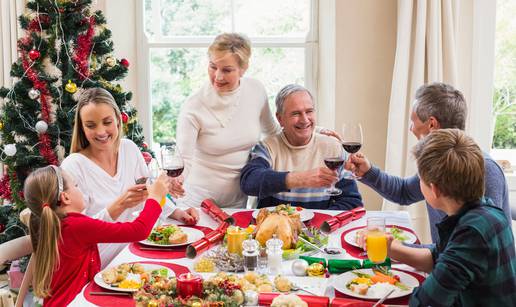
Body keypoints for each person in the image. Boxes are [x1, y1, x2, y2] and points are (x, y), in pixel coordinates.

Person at [176, 33, 338, 209]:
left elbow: (274, 130)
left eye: (227, 70)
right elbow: (184, 159)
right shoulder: (193, 106)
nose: (218, 76)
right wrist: (175, 180)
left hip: (237, 201)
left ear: (243, 68)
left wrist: (315, 130)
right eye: (213, 67)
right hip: (196, 201)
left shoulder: (255, 90)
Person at [349, 83, 511, 242]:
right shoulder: (438, 162)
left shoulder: (484, 170)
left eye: (413, 121)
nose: (411, 129)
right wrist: (368, 172)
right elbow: (404, 192)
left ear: (432, 124)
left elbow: (485, 243)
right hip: (446, 261)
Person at [60, 87, 198, 265]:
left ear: (118, 120)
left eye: (107, 122)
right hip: (99, 263)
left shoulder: (129, 148)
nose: (101, 132)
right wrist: (120, 204)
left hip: (136, 252)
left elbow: (148, 194)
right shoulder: (74, 166)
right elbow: (77, 232)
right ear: (82, 128)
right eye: (91, 125)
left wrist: (176, 212)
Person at [378, 129, 516, 306]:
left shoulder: (473, 233)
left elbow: (426, 301)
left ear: (434, 189)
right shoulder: (484, 211)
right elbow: (440, 257)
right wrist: (393, 249)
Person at [19, 166, 169, 306]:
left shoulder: (58, 225)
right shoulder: (75, 226)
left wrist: (123, 202)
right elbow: (139, 230)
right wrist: (155, 198)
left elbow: (99, 225)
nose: (80, 190)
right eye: (76, 186)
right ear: (65, 198)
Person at [240, 84, 362, 210]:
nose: (304, 120)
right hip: (277, 227)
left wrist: (319, 223)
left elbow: (352, 202)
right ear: (280, 118)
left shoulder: (334, 148)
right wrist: (300, 179)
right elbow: (249, 182)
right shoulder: (268, 147)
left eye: (309, 111)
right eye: (296, 113)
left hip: (318, 228)